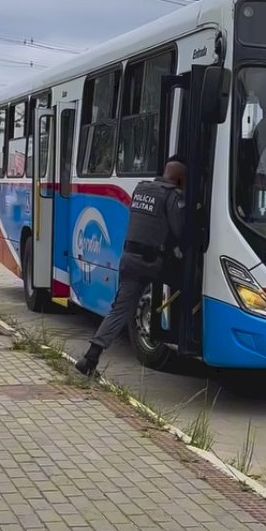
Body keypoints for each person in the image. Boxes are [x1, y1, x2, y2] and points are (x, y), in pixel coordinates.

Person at [75, 156, 187, 376]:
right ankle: (178, 339)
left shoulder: (141, 189)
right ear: (179, 179)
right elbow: (180, 230)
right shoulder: (171, 196)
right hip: (153, 263)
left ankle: (90, 357)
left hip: (129, 260)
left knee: (119, 310)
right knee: (190, 285)